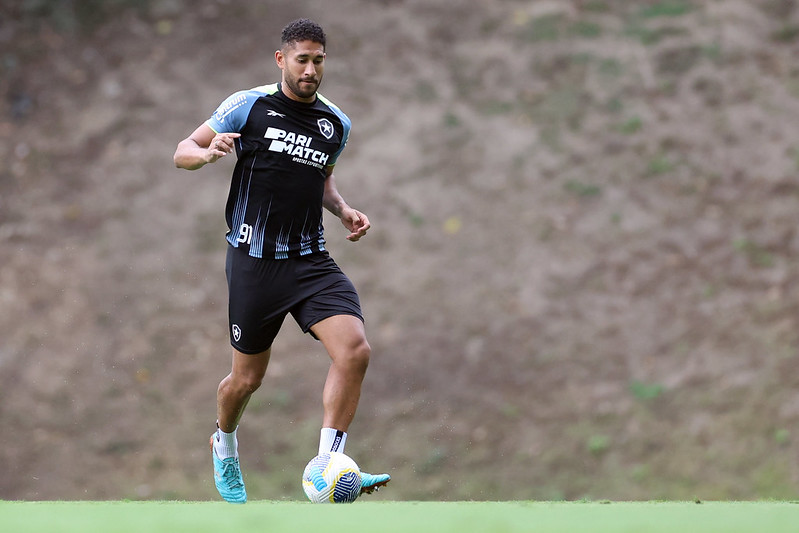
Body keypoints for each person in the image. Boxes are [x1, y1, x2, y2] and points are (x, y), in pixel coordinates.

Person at [173, 18, 390, 504]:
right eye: (302, 60)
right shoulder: (247, 105)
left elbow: (321, 182)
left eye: (318, 61)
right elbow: (182, 151)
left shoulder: (336, 124)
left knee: (354, 350)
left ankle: (329, 464)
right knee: (246, 380)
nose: (311, 70)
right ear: (281, 60)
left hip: (310, 260)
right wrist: (209, 156)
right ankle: (224, 444)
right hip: (254, 264)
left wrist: (344, 210)